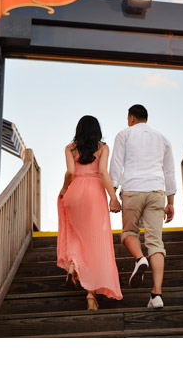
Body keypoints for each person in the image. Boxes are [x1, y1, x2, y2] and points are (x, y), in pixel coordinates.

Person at [110, 104, 176, 308]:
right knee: (156, 243)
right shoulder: (163, 138)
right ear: (146, 118)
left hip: (133, 190)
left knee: (129, 232)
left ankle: (140, 259)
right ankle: (156, 295)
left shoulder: (124, 135)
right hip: (157, 191)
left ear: (131, 118)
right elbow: (170, 171)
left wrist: (113, 194)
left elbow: (116, 164)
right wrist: (171, 202)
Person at [57, 115, 123, 310]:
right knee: (95, 241)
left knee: (76, 233)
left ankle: (73, 264)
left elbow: (70, 172)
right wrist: (113, 197)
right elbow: (103, 173)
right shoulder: (102, 148)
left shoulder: (70, 148)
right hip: (94, 194)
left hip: (75, 191)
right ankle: (91, 295)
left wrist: (63, 189)